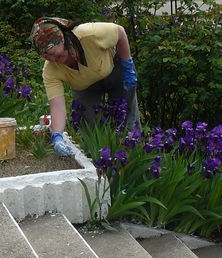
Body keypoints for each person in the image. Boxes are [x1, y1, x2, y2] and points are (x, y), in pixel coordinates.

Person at [29, 17, 141, 157]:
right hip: (85, 87)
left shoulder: (88, 34)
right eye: (45, 56)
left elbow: (120, 32)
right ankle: (100, 163)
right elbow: (57, 106)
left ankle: (132, 157)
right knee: (89, 126)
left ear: (61, 39)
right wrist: (57, 135)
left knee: (127, 120)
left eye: (52, 53)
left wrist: (127, 64)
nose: (52, 59)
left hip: (116, 70)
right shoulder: (50, 70)